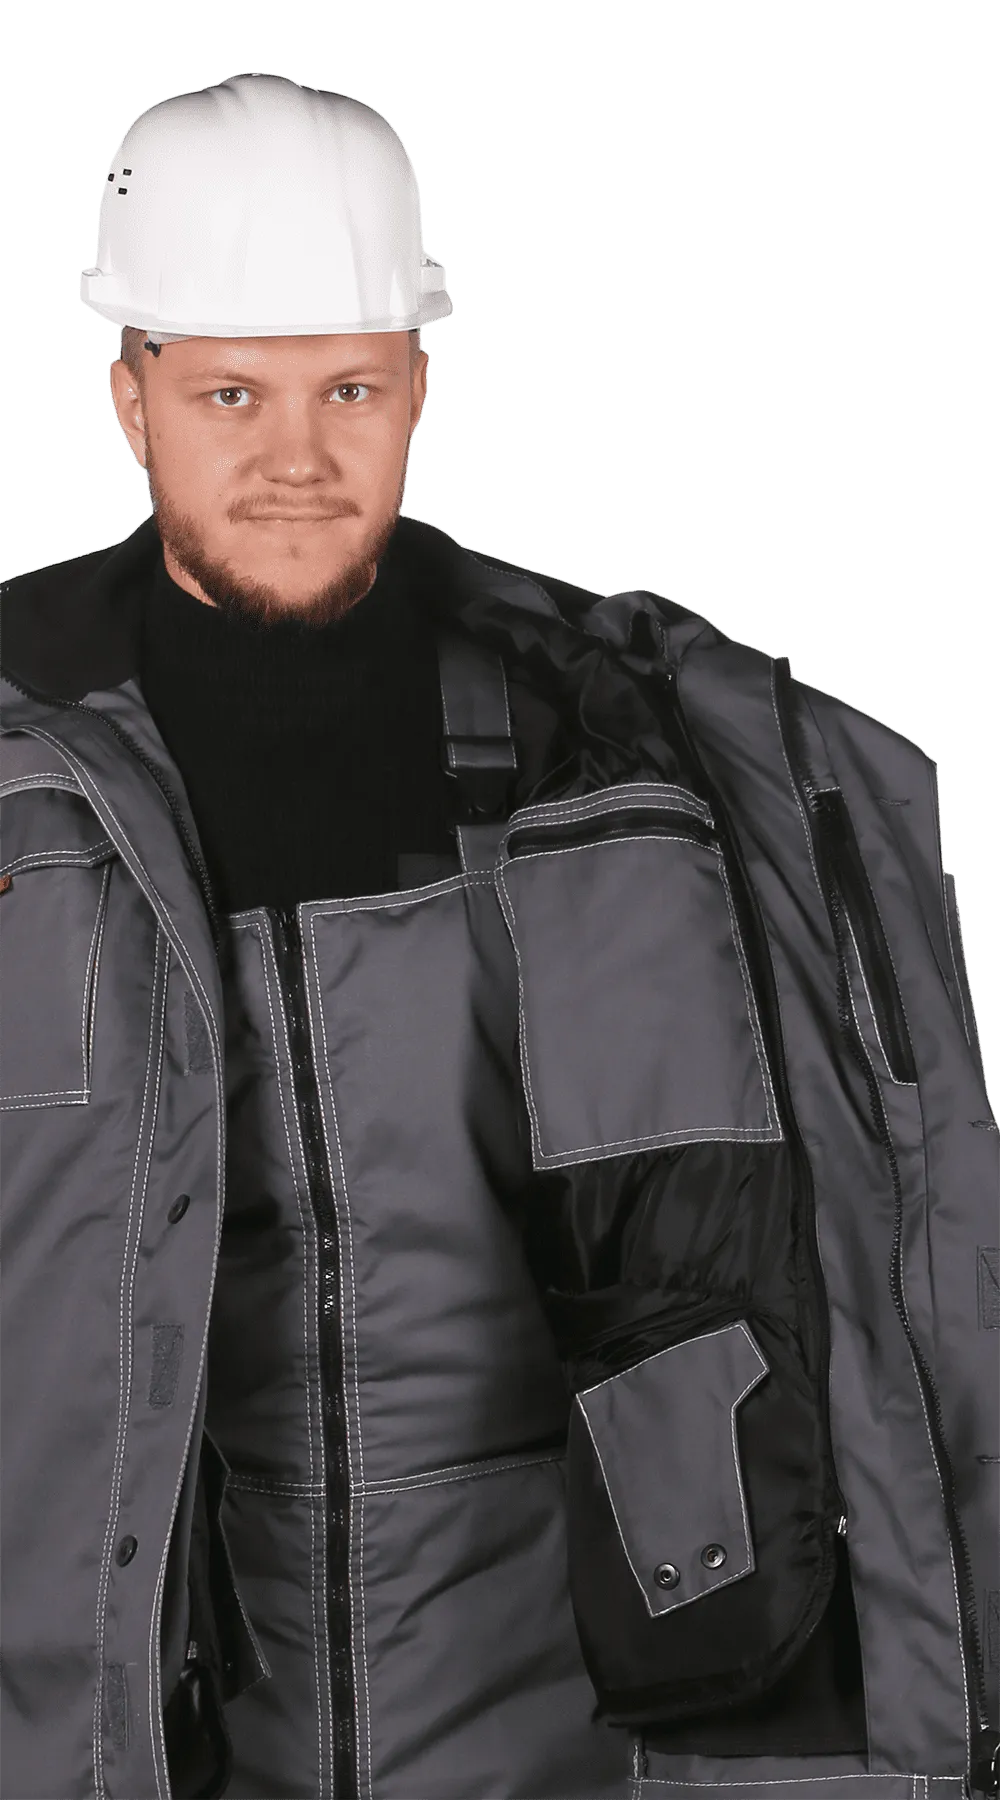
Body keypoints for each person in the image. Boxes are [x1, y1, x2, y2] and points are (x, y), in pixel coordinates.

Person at [2, 72, 998, 1800]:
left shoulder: (630, 746)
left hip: (566, 1707)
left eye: (349, 389)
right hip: (103, 1713)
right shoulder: (19, 754)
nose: (296, 458)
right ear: (129, 396)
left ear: (418, 385)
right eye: (232, 393)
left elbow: (897, 1253)